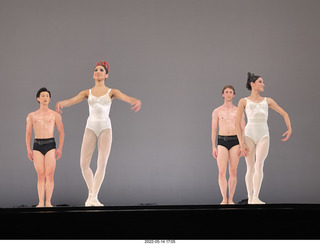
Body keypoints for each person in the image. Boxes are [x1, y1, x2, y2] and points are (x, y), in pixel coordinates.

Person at [56, 60, 141, 206]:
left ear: (106, 75)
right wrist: (61, 103)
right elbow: (72, 100)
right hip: (90, 127)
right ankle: (92, 195)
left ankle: (93, 197)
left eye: (101, 70)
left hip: (105, 128)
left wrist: (136, 101)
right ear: (93, 74)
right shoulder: (86, 92)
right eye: (96, 70)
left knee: (101, 163)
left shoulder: (112, 92)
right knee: (83, 164)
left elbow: (127, 98)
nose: (98, 72)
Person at [235, 73, 292, 204]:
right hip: (249, 135)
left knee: (259, 165)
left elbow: (284, 113)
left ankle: (256, 197)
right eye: (260, 82)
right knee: (250, 167)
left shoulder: (268, 101)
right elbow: (237, 123)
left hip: (263, 135)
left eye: (263, 82)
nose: (263, 84)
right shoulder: (243, 101)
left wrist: (289, 128)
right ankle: (250, 197)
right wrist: (241, 142)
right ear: (252, 84)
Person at [26, 87, 65, 207]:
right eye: (42, 95)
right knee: (40, 175)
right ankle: (40, 202)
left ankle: (48, 202)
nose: (45, 98)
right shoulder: (32, 115)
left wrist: (60, 148)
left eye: (47, 96)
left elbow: (61, 131)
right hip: (37, 145)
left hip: (50, 144)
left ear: (50, 99)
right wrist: (28, 149)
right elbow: (28, 133)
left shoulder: (55, 115)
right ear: (38, 98)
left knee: (49, 174)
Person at [212, 85, 245, 204]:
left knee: (233, 171)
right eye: (226, 92)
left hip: (235, 141)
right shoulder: (217, 111)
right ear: (223, 94)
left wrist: (242, 144)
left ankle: (230, 198)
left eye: (231, 92)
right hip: (221, 141)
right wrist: (213, 146)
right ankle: (224, 198)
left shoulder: (238, 110)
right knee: (221, 171)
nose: (229, 94)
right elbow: (214, 130)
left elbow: (243, 128)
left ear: (234, 95)